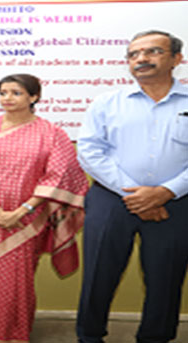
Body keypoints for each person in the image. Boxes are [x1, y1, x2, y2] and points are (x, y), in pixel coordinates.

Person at [76, 30, 188, 343]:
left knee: (166, 277)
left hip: (177, 203)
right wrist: (136, 194)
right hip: (111, 199)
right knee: (99, 274)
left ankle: (156, 337)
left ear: (176, 59)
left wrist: (165, 192)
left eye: (153, 51)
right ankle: (89, 336)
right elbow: (89, 150)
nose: (141, 59)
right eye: (133, 54)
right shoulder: (107, 103)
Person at [0, 74, 89, 343]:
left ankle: (9, 332)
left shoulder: (52, 133)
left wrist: (20, 211)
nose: (7, 98)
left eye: (15, 93)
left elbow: (56, 177)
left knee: (16, 276)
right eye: (3, 92)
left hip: (28, 216)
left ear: (34, 97)